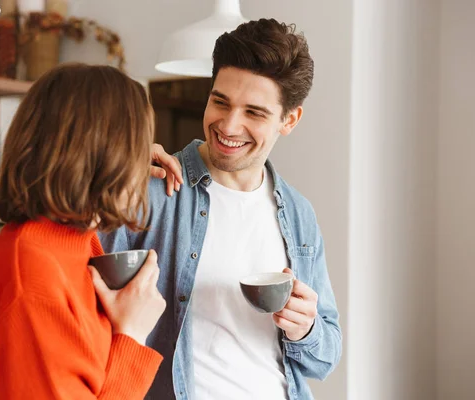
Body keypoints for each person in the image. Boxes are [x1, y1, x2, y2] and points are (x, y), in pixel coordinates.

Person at [100, 18, 342, 400]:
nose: (229, 125)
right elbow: (77, 293)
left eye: (254, 113)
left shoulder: (298, 214)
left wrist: (307, 328)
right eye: (220, 101)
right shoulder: (154, 190)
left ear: (289, 120)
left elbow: (326, 358)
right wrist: (108, 175)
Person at [0, 63, 184, 399]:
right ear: (103, 158)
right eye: (134, 148)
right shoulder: (30, 275)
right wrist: (133, 334)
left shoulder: (75, 243)